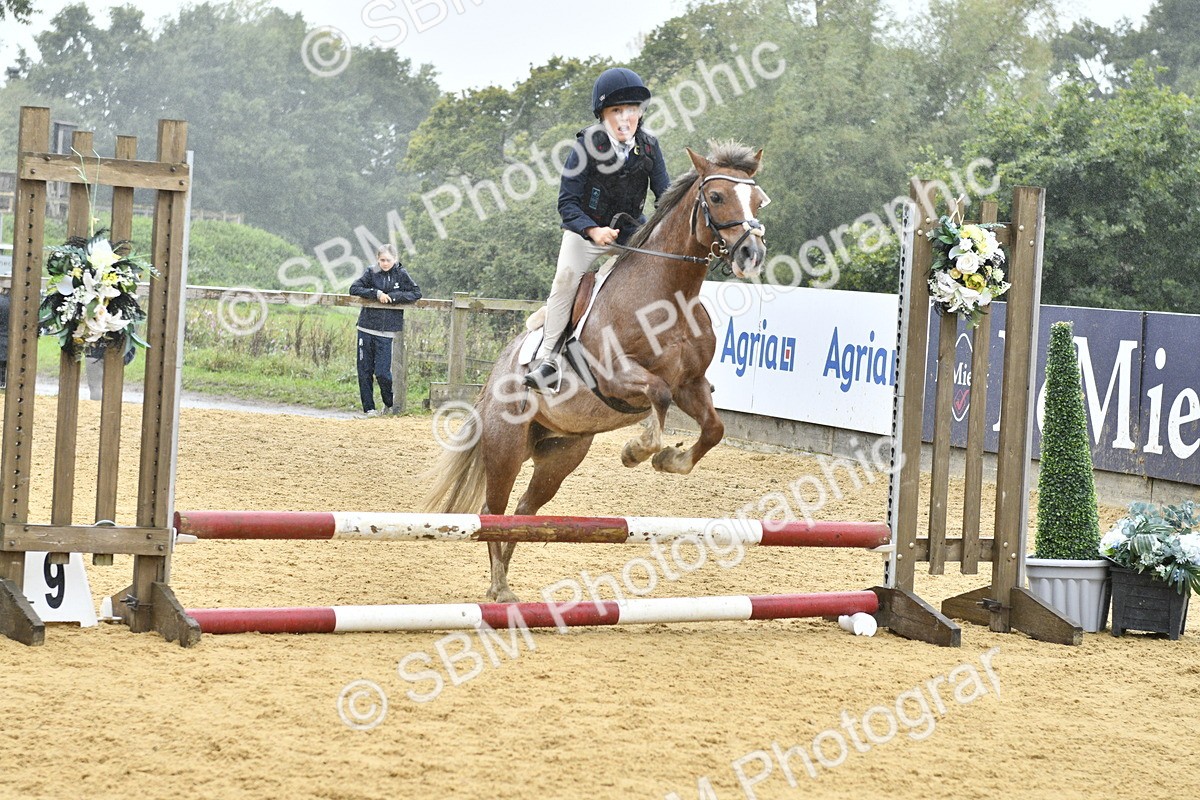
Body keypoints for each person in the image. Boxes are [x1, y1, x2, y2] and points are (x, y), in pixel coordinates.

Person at [523, 66, 670, 390]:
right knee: (565, 280)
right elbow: (567, 203)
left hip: (631, 232)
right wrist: (593, 231)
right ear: (603, 115)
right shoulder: (585, 147)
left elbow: (666, 197)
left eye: (631, 110)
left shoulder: (649, 147)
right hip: (586, 232)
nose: (624, 118)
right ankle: (549, 360)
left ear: (640, 113)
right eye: (616, 111)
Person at [349, 244, 421, 416]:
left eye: (388, 260)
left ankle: (388, 403)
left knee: (382, 373)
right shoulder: (371, 272)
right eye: (382, 260)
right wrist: (376, 293)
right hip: (366, 327)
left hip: (387, 330)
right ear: (377, 259)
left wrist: (394, 297)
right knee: (364, 371)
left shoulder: (401, 274)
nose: (385, 263)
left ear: (395, 259)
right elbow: (354, 289)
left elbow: (416, 293)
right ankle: (369, 409)